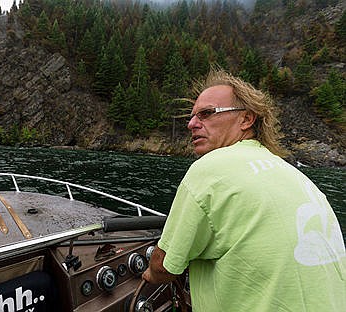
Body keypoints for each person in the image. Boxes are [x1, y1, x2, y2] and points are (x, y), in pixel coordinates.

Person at [142, 69, 346, 311]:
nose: (191, 124)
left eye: (206, 114)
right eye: (193, 116)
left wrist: (148, 276)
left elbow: (164, 267)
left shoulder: (210, 167)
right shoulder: (291, 172)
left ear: (247, 120)